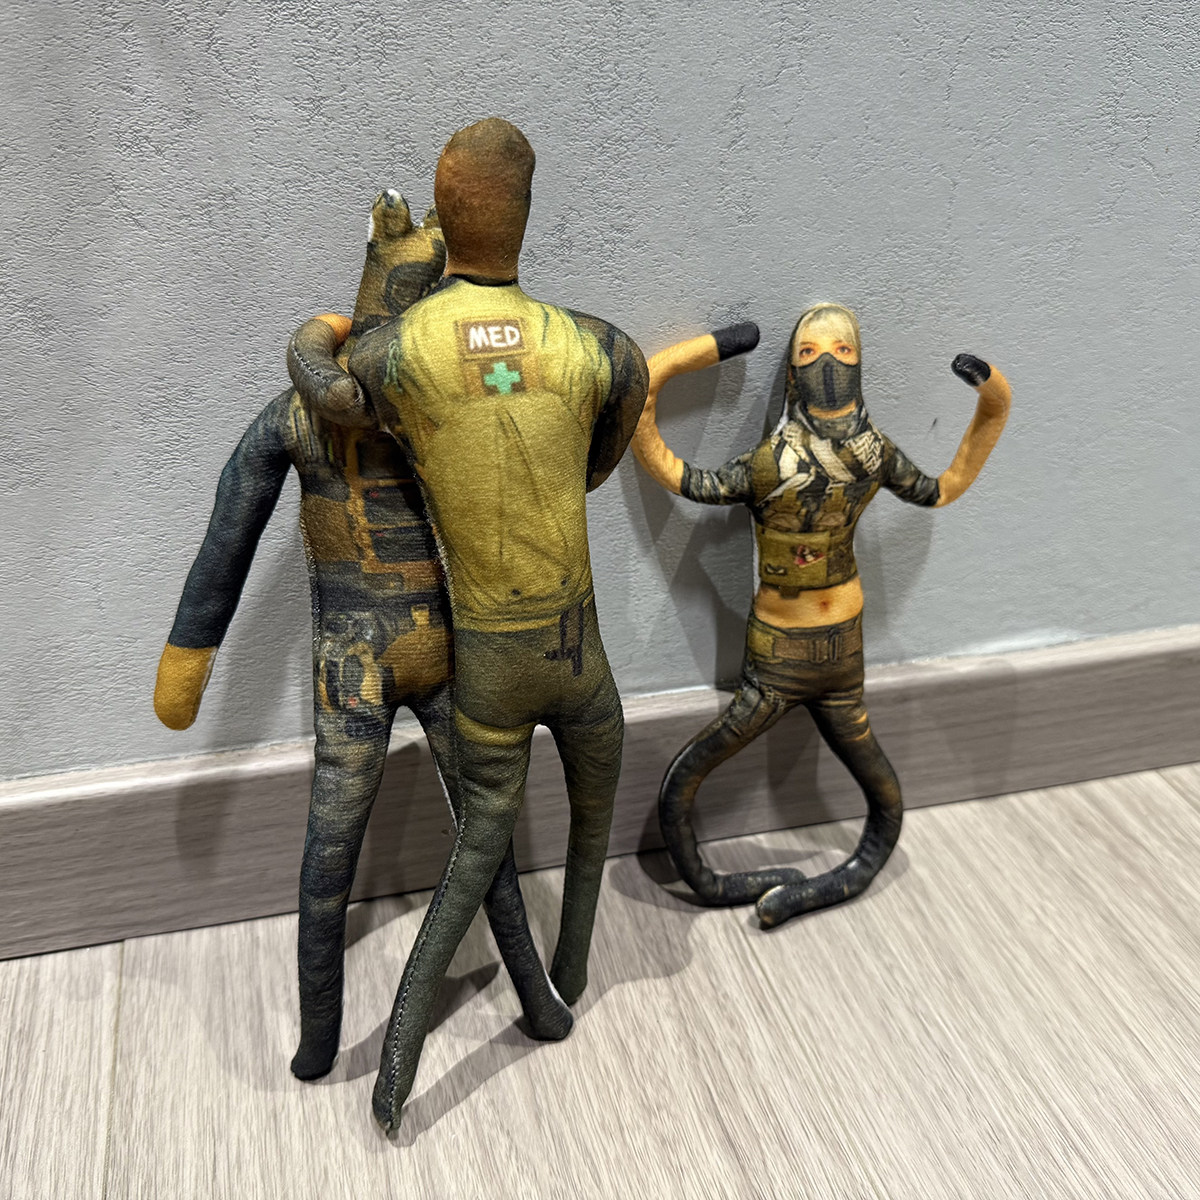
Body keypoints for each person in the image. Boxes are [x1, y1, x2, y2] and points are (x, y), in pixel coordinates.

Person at [154, 190, 571, 1088]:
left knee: (344, 850)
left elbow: (227, 532)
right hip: (430, 654)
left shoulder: (310, 411)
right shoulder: (442, 403)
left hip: (360, 660)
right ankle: (528, 1001)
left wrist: (187, 660)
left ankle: (331, 1041)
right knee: (471, 831)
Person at [287, 118, 650, 1131]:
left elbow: (329, 390)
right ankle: (570, 977)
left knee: (475, 850)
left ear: (444, 216)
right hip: (581, 651)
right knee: (591, 827)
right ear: (529, 213)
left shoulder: (394, 353)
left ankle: (396, 1068)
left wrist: (308, 334)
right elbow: (605, 447)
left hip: (487, 662)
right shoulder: (601, 344)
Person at [631, 302, 1011, 928]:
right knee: (687, 778)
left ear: (859, 368)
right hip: (775, 659)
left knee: (882, 797)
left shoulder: (871, 454)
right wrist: (703, 352)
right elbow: (680, 473)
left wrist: (994, 400)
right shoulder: (768, 464)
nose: (827, 364)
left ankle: (809, 882)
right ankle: (710, 880)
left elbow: (942, 487)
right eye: (809, 354)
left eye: (842, 352)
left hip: (843, 657)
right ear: (792, 373)